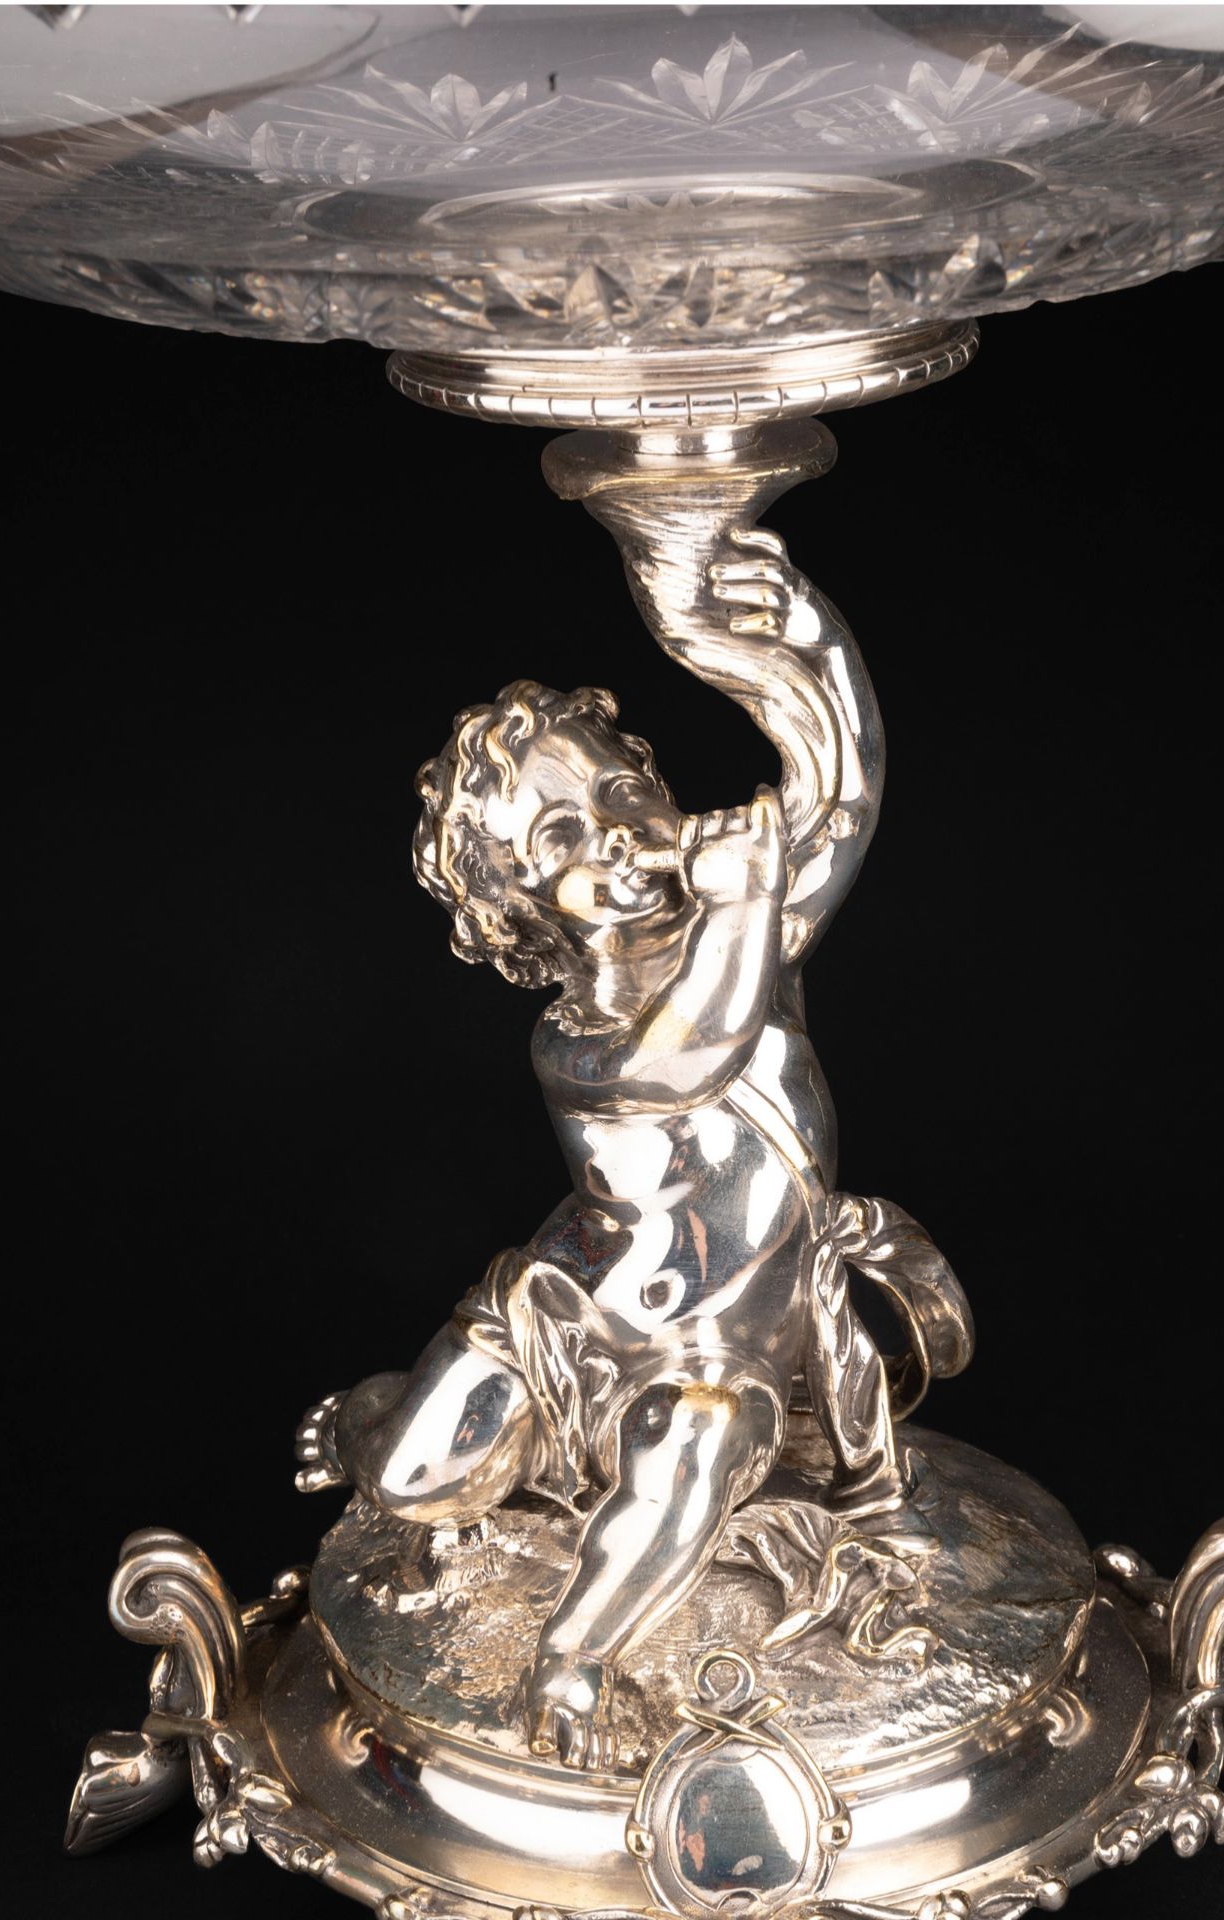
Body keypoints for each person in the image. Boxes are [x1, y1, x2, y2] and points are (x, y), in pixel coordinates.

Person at [296, 522, 969, 1771]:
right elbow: (687, 1055)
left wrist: (809, 639)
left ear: (660, 791)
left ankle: (577, 1655)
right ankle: (373, 1425)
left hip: (718, 1342)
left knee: (696, 1449)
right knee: (415, 1486)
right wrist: (745, 896)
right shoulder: (579, 1039)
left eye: (618, 795)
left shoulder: (753, 931)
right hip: (570, 1320)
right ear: (516, 909)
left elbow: (844, 792)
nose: (610, 836)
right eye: (558, 840)